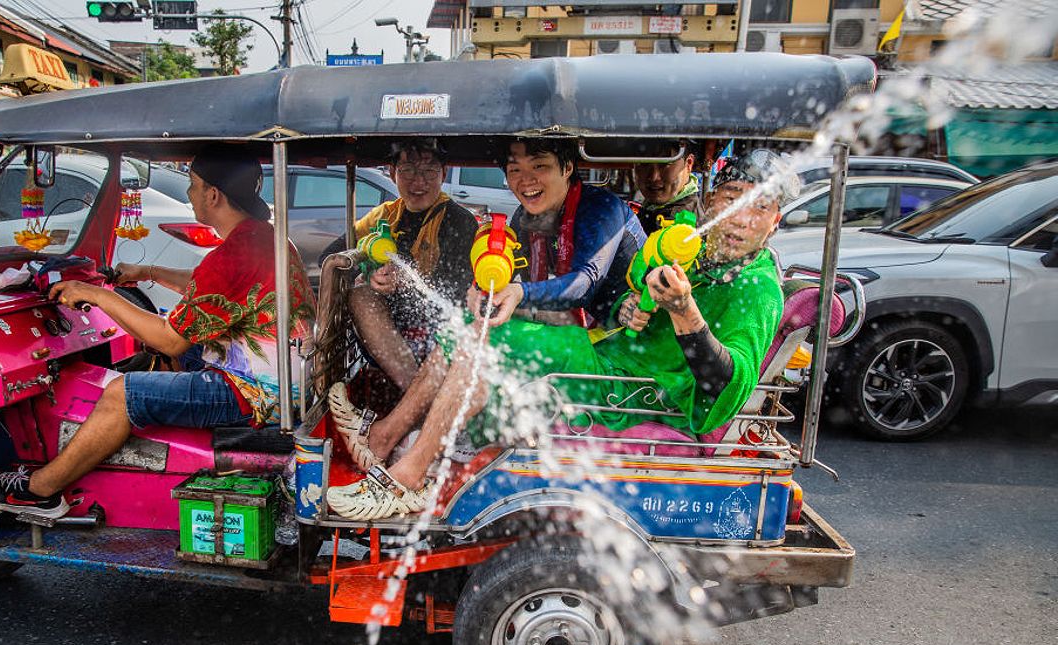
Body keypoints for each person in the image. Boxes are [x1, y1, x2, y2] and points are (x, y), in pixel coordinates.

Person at [323, 149, 797, 520]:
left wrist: (686, 313)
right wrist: (635, 306)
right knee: (474, 329)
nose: (740, 217)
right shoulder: (699, 252)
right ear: (711, 200)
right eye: (731, 198)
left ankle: (407, 474)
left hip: (634, 391)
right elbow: (626, 294)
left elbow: (726, 387)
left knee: (485, 342)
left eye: (760, 207)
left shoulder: (757, 288)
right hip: (609, 354)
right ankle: (387, 438)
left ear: (775, 220)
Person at [0, 145, 315, 518]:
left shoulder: (232, 256)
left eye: (193, 185)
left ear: (213, 194)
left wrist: (96, 295)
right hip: (286, 379)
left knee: (120, 393)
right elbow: (206, 286)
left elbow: (168, 337)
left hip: (257, 393)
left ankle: (41, 492)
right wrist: (147, 273)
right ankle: (144, 434)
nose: (189, 194)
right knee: (177, 351)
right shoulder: (263, 237)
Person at [318, 139, 477, 391]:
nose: (419, 181)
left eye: (429, 171)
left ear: (443, 174)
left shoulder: (460, 221)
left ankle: (414, 399)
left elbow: (455, 295)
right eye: (408, 170)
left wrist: (405, 283)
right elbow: (329, 257)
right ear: (392, 173)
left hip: (439, 338)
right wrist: (366, 272)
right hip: (383, 340)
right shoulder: (383, 215)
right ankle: (414, 393)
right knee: (361, 296)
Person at [485, 138, 646, 328]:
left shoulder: (601, 208)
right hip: (589, 326)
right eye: (515, 170)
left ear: (567, 167)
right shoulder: (524, 216)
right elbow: (510, 271)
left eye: (539, 166)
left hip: (634, 330)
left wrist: (521, 293)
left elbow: (582, 285)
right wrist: (484, 290)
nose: (526, 180)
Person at [632, 139, 702, 235]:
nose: (654, 177)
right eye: (644, 163)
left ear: (689, 164)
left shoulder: (681, 225)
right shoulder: (652, 210)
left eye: (664, 164)